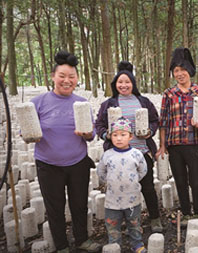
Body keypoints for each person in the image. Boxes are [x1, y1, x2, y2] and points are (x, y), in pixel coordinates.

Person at [31, 50, 100, 252]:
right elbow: (26, 131)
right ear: (53, 76)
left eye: (71, 77)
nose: (66, 80)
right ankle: (61, 245)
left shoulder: (82, 103)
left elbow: (92, 134)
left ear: (77, 79)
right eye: (62, 76)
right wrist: (29, 136)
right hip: (48, 165)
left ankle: (82, 240)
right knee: (55, 207)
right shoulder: (38, 103)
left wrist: (87, 134)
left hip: (78, 163)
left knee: (79, 205)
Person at [95, 61, 163, 233]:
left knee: (147, 186)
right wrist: (107, 135)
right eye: (120, 82)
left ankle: (154, 217)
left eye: (127, 82)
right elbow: (99, 125)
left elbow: (155, 120)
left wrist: (150, 131)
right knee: (120, 188)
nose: (123, 85)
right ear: (115, 84)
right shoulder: (109, 104)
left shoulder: (143, 101)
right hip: (117, 155)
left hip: (141, 151)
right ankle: (125, 220)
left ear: (133, 84)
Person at [156, 47, 198, 226]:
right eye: (176, 71)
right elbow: (163, 121)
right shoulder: (169, 94)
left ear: (190, 70)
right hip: (174, 144)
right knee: (180, 180)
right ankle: (186, 213)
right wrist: (163, 145)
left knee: (196, 180)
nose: (180, 74)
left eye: (183, 70)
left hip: (194, 143)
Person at [97, 117, 147, 253]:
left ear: (130, 136)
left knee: (134, 223)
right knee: (112, 225)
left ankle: (136, 243)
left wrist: (132, 181)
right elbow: (101, 172)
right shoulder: (107, 155)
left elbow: (143, 171)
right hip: (112, 200)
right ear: (110, 137)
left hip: (132, 200)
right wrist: (111, 182)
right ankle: (114, 245)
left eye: (123, 135)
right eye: (115, 135)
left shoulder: (136, 154)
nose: (119, 138)